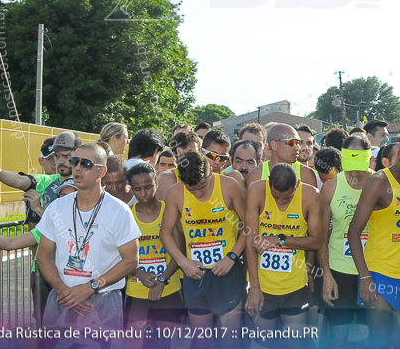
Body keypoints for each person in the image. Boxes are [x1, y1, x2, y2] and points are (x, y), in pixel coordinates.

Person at [34, 143, 140, 344]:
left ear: (102, 171)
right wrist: (63, 291)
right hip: (62, 298)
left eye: (86, 163)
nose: (78, 168)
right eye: (74, 161)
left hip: (102, 301)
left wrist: (90, 287)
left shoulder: (119, 211)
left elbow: (130, 261)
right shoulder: (57, 207)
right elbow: (43, 255)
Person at [346, 133, 400, 342]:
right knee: (380, 340)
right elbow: (354, 231)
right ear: (399, 155)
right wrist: (365, 277)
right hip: (379, 275)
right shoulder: (379, 182)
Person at [161, 150, 247, 338]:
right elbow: (165, 234)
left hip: (227, 273)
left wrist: (232, 257)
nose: (198, 193)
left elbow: (250, 227)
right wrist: (184, 263)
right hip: (195, 274)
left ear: (210, 172)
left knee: (230, 340)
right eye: (191, 189)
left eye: (202, 186)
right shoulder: (175, 193)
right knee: (201, 340)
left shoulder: (228, 186)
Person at [245, 163, 322, 331]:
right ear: (268, 183)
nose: (280, 203)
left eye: (287, 198)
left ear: (298, 185)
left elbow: (316, 242)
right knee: (262, 341)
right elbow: (250, 243)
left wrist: (280, 239)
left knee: (294, 341)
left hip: (294, 285)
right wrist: (254, 288)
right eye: (275, 197)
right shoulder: (256, 190)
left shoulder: (311, 195)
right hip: (263, 285)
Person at [318, 136, 373, 340]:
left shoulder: (381, 184)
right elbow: (321, 236)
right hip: (339, 270)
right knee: (338, 334)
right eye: (351, 165)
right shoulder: (331, 187)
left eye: (360, 165)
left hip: (372, 269)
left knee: (365, 335)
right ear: (342, 159)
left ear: (369, 159)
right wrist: (326, 274)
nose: (355, 172)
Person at [124, 162, 183, 334]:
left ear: (157, 183)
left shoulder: (170, 211)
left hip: (169, 288)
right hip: (137, 292)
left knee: (167, 342)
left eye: (148, 187)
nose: (144, 194)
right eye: (138, 189)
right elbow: (121, 255)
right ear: (132, 189)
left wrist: (163, 279)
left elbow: (181, 251)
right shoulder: (127, 215)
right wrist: (139, 273)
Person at [244, 123, 319, 189]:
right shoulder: (256, 175)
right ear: (274, 145)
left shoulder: (306, 174)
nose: (298, 148)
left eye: (298, 143)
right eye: (292, 142)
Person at [156, 130, 201, 201]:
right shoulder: (166, 178)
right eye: (183, 156)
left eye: (193, 154)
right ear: (175, 156)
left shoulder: (210, 175)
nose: (189, 160)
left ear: (200, 151)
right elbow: (165, 209)